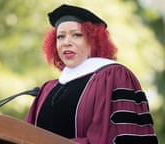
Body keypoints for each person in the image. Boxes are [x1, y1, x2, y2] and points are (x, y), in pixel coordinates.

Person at [25, 4, 159, 144]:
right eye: (60, 37)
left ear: (94, 40)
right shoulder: (48, 89)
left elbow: (117, 136)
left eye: (76, 35)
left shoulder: (114, 77)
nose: (66, 43)